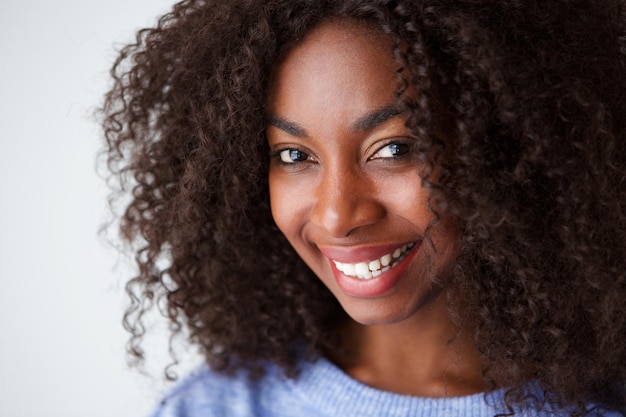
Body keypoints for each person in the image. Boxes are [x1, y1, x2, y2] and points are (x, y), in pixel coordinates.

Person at [100, 0, 626, 416]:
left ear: (510, 148)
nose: (335, 215)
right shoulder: (221, 407)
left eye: (395, 148)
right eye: (294, 156)